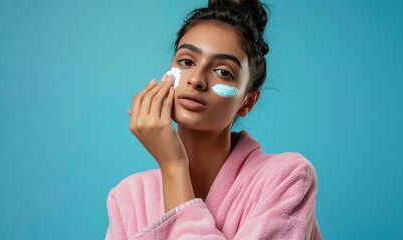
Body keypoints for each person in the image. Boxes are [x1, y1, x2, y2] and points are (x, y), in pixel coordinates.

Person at [105, 0, 323, 239]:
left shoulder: (288, 178)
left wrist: (174, 167)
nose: (197, 79)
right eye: (187, 62)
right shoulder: (128, 196)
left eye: (223, 72)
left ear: (247, 102)